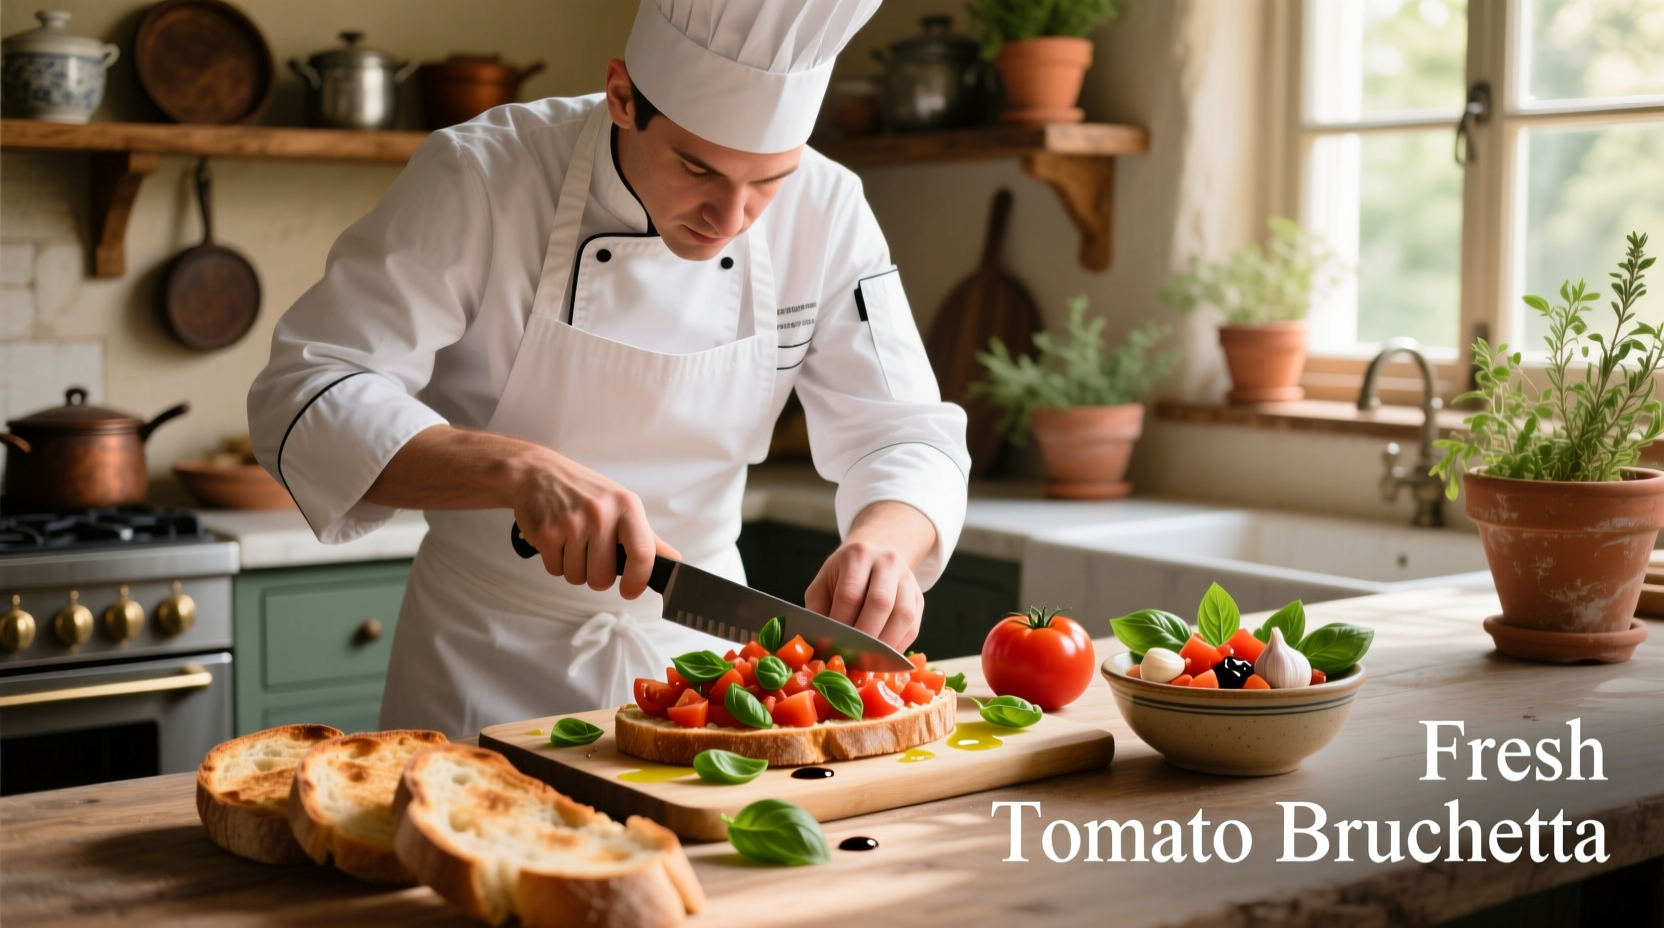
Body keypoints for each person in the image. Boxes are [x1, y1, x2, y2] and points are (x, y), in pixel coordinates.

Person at [247, 0, 970, 737]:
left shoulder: (827, 205)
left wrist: (884, 542)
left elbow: (907, 433)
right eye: (697, 167)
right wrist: (518, 470)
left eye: (768, 182)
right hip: (487, 661)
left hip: (704, 669)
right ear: (621, 96)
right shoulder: (483, 175)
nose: (731, 217)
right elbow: (307, 393)